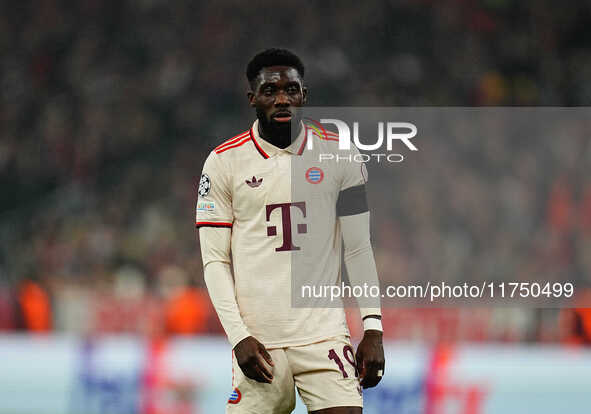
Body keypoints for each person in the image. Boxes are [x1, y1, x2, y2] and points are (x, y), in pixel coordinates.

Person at [196, 48, 384, 413]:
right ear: (252, 99)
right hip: (260, 342)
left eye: (291, 89)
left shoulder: (341, 155)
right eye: (270, 91)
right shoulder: (223, 163)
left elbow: (358, 249)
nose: (282, 99)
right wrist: (239, 337)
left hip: (325, 334)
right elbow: (215, 260)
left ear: (304, 95)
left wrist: (373, 327)